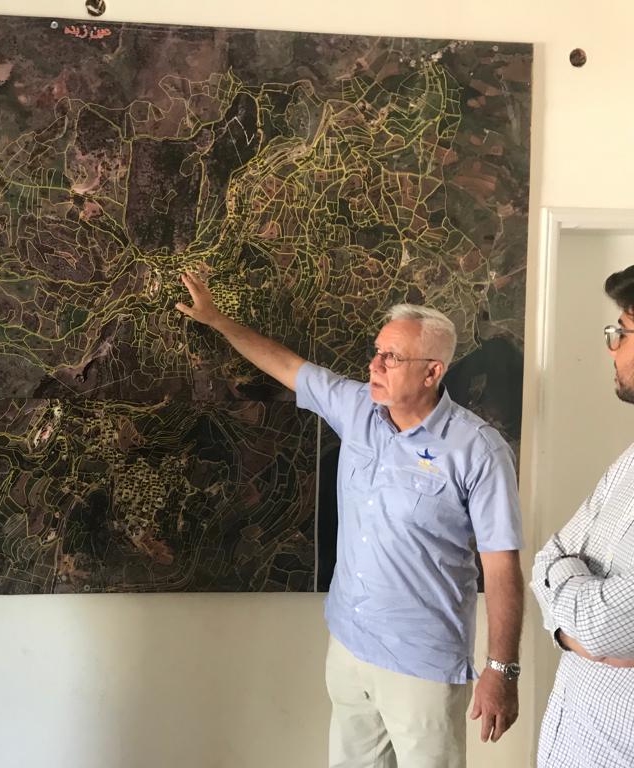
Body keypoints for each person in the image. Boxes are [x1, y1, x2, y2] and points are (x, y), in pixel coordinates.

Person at [176, 271, 524, 768]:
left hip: (421, 666)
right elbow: (286, 364)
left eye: (391, 357)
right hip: (349, 645)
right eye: (377, 351)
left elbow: (502, 567)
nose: (374, 365)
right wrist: (216, 320)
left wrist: (501, 669)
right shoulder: (357, 407)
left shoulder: (478, 451)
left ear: (432, 373)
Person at [530, 265, 634, 768]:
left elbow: (606, 625)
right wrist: (578, 632)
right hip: (573, 741)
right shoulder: (628, 462)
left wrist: (575, 622)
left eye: (622, 332)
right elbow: (545, 558)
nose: (612, 348)